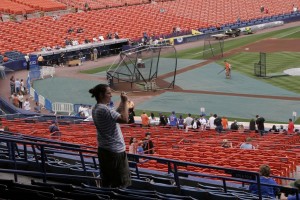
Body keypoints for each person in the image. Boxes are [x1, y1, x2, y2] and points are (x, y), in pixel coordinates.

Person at [89, 84, 131, 188]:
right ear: (101, 94)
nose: (111, 95)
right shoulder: (104, 109)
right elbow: (125, 119)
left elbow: (115, 114)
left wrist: (122, 101)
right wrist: (125, 101)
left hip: (105, 149)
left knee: (107, 181)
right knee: (121, 183)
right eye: (108, 93)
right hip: (115, 152)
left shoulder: (97, 108)